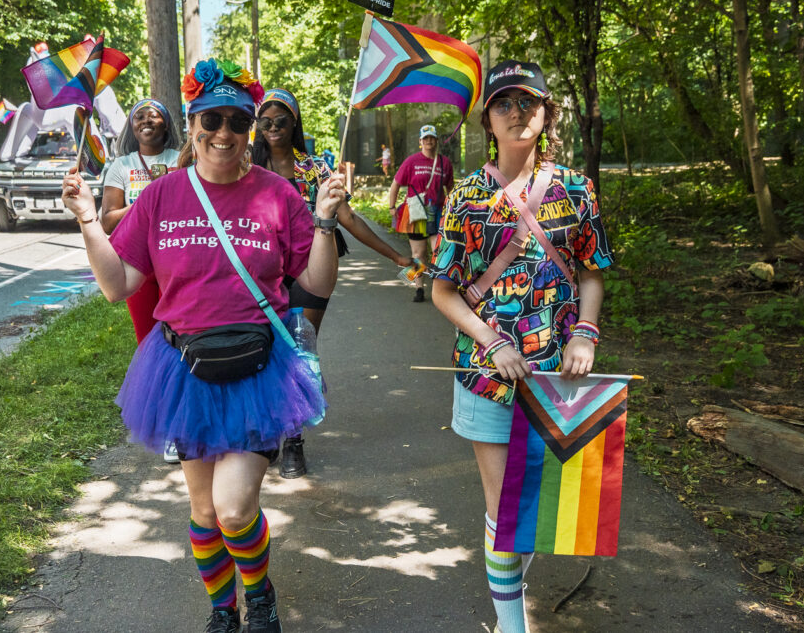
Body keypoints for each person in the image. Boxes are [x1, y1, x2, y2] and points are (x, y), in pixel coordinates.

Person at [62, 58, 346, 633]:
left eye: (237, 122)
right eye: (211, 119)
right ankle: (222, 610)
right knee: (202, 511)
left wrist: (322, 220)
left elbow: (316, 284)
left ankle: (259, 596)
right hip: (183, 370)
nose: (224, 133)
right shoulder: (162, 197)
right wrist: (90, 221)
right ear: (191, 124)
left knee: (235, 510)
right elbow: (118, 287)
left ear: (249, 131)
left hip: (255, 368)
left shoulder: (277, 194)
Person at [430, 60, 613, 633]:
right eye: (504, 102)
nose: (517, 113)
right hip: (487, 374)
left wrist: (585, 332)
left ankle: (514, 593)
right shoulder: (465, 194)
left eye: (528, 103)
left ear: (546, 114)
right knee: (505, 511)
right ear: (487, 117)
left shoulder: (576, 189)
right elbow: (443, 290)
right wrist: (489, 339)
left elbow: (591, 271)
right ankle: (513, 625)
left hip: (561, 379)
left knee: (542, 509)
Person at [252, 88, 413, 479]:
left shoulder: (316, 170)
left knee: (299, 347)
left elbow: (351, 219)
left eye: (282, 121)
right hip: (258, 273)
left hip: (311, 269)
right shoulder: (244, 167)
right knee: (260, 350)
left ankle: (293, 440)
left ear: (295, 124)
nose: (274, 128)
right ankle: (265, 431)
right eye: (266, 122)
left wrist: (396, 256)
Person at [98, 98, 182, 463]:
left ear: (167, 125)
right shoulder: (122, 165)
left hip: (178, 260)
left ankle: (183, 423)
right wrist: (146, 201)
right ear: (132, 127)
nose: (147, 121)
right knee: (149, 342)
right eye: (139, 117)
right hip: (136, 262)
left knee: (182, 339)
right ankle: (165, 427)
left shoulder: (182, 158)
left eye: (155, 115)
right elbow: (107, 220)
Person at [388, 124, 454, 302]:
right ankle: (419, 288)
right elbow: (395, 184)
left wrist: (453, 208)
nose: (429, 141)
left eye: (432, 138)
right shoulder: (411, 161)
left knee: (439, 252)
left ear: (436, 140)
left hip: (437, 212)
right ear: (420, 141)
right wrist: (392, 206)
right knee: (418, 254)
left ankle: (441, 289)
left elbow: (451, 188)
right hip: (416, 211)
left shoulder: (444, 163)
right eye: (425, 138)